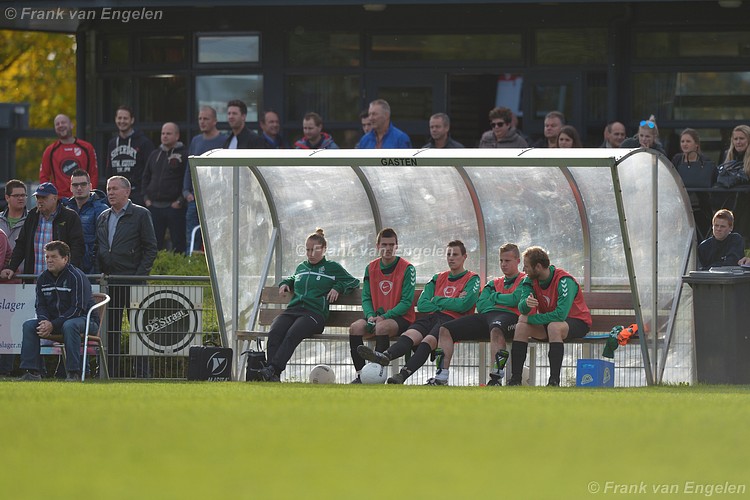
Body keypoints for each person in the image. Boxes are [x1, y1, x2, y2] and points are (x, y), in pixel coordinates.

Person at [358, 240, 480, 384]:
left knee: (428, 341)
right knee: (409, 335)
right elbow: (422, 304)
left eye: (455, 254)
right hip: (431, 317)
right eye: (448, 254)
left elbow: (464, 305)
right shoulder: (438, 277)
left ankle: (401, 375)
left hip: (452, 321)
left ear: (464, 257)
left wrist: (436, 299)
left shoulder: (472, 278)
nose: (451, 258)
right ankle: (384, 356)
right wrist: (450, 302)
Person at [258, 228, 359, 382]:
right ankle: (273, 375)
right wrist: (285, 283)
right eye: (307, 250)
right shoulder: (302, 267)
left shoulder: (333, 267)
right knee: (275, 331)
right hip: (293, 310)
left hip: (314, 314)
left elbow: (353, 281)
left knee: (293, 333)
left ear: (324, 249)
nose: (310, 254)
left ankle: (272, 369)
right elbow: (293, 278)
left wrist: (338, 287)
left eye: (314, 250)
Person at [427, 243, 526, 386]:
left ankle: (495, 379)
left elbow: (515, 300)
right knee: (445, 329)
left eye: (507, 260)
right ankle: (441, 377)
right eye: (501, 260)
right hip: (486, 316)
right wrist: (501, 301)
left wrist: (494, 297)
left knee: (496, 328)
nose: (503, 264)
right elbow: (481, 304)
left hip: (510, 318)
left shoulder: (524, 280)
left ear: (518, 261)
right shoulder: (493, 282)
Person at [96, 176, 158, 377]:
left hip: (134, 282)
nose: (110, 192)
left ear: (127, 192)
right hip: (110, 282)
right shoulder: (103, 216)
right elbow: (98, 248)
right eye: (108, 188)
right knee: (110, 331)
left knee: (139, 330)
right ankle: (110, 372)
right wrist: (100, 274)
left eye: (115, 188)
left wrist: (139, 277)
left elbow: (151, 248)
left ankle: (142, 374)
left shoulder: (141, 214)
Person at [509, 246, 592, 387]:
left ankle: (554, 381)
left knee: (554, 327)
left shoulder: (564, 280)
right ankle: (515, 380)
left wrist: (530, 319)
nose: (524, 270)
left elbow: (560, 315)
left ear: (538, 267)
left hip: (577, 322)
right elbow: (522, 308)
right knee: (521, 327)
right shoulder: (529, 280)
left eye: (526, 266)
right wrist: (526, 304)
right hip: (550, 322)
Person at [16, 240, 96, 382]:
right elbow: (40, 306)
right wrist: (44, 322)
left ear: (65, 259)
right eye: (47, 257)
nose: (49, 260)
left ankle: (73, 373)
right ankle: (32, 372)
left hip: (85, 321)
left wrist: (53, 324)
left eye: (53, 256)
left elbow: (77, 309)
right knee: (29, 325)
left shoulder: (77, 277)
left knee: (70, 325)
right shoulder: (42, 278)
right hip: (56, 323)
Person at [348, 228, 416, 383]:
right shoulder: (370, 268)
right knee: (355, 328)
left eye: (391, 244)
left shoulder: (407, 268)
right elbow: (366, 297)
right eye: (384, 244)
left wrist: (385, 316)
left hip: (401, 318)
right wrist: (370, 315)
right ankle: (361, 375)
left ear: (397, 246)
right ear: (378, 246)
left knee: (381, 327)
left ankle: (375, 374)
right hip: (376, 317)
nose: (388, 248)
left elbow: (406, 302)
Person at [0, 182, 84, 281]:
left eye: (44, 197)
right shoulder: (32, 215)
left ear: (55, 198)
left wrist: (70, 271)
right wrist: (11, 267)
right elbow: (21, 245)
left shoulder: (70, 217)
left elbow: (77, 247)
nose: (40, 201)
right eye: (38, 197)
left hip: (60, 279)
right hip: (33, 279)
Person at [142, 122, 188, 254]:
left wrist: (180, 201)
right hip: (154, 206)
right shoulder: (154, 154)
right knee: (153, 244)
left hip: (174, 207)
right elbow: (145, 177)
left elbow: (187, 180)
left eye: (168, 133)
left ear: (177, 136)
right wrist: (146, 198)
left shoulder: (184, 155)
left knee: (178, 244)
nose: (165, 136)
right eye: (163, 133)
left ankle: (178, 267)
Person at [184, 106, 225, 253]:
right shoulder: (196, 140)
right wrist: (186, 191)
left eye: (206, 118)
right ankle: (191, 264)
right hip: (195, 198)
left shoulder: (224, 140)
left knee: (216, 237)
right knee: (192, 238)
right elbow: (189, 167)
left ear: (215, 121)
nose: (202, 122)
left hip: (216, 199)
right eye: (200, 118)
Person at [0, 179, 27, 375]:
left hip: (15, 284)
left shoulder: (32, 218)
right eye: (16, 195)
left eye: (23, 195)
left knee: (7, 327)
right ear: (7, 197)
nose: (21, 199)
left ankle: (6, 370)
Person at [40, 114, 98, 199]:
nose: (60, 125)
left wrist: (90, 195)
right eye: (57, 124)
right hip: (59, 200)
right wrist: (51, 197)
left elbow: (93, 173)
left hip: (83, 199)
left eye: (63, 122)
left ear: (71, 125)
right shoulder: (50, 151)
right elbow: (44, 176)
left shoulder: (87, 148)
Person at [105, 105, 155, 205]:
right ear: (115, 119)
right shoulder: (112, 143)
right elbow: (109, 169)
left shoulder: (144, 143)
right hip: (116, 194)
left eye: (125, 118)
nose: (122, 121)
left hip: (137, 195)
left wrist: (145, 195)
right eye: (119, 118)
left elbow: (150, 170)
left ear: (132, 120)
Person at [63, 169, 108, 273]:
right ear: (70, 188)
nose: (79, 188)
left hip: (93, 269)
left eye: (83, 184)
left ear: (90, 186)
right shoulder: (65, 209)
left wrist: (99, 269)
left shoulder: (101, 209)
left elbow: (104, 243)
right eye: (75, 185)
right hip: (69, 266)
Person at [672, 128, 713, 238]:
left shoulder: (705, 161)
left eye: (688, 141)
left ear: (696, 144)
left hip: (700, 206)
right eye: (682, 141)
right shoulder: (677, 159)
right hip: (680, 205)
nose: (685, 144)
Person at [720, 125, 750, 244]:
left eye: (741, 138)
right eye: (735, 139)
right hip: (730, 203)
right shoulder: (728, 156)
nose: (738, 142)